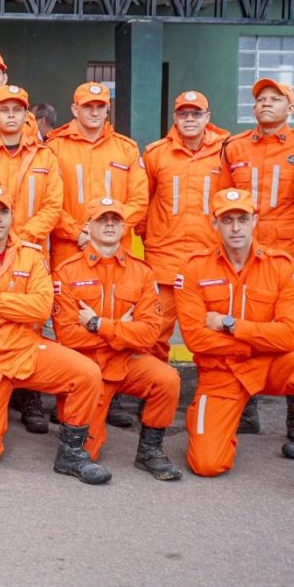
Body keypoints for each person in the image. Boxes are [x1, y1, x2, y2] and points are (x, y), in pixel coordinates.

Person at [0, 186, 110, 484]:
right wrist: (17, 309)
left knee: (87, 373)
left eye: (3, 211)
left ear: (13, 216)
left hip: (26, 351)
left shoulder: (31, 255)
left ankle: (71, 454)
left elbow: (42, 308)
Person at [177, 189, 294, 502]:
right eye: (227, 220)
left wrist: (230, 325)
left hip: (273, 367)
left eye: (242, 219)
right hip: (222, 374)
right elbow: (195, 339)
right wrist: (261, 340)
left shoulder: (282, 266)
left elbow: (293, 335)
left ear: (255, 221)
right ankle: (213, 424)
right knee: (207, 464)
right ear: (215, 224)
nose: (236, 227)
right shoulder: (194, 268)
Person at [52, 197, 181, 479]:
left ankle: (150, 452)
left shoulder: (143, 272)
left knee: (168, 378)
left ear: (124, 227)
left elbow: (148, 335)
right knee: (88, 451)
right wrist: (124, 331)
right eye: (101, 219)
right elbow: (67, 335)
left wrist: (99, 325)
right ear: (88, 226)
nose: (109, 224)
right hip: (90, 370)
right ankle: (72, 436)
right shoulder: (67, 271)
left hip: (127, 364)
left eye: (115, 220)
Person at [219, 78, 294, 446]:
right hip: (245, 254)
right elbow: (224, 202)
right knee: (242, 325)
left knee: (293, 336)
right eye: (260, 99)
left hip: (292, 256)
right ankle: (245, 408)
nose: (266, 105)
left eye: (276, 99)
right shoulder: (236, 147)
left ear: (290, 109)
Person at [0, 83, 63, 434]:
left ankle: (29, 399)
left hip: (29, 253)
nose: (10, 115)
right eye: (4, 110)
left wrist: (22, 238)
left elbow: (53, 206)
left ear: (26, 115)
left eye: (17, 110)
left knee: (30, 324)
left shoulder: (45, 156)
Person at [140, 90, 229, 363]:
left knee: (214, 333)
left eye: (196, 113)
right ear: (175, 118)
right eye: (183, 114)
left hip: (210, 261)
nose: (190, 119)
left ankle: (219, 394)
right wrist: (149, 239)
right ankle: (155, 393)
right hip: (164, 261)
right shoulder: (156, 155)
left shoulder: (226, 151)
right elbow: (143, 201)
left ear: (208, 117)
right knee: (155, 333)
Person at [45, 82, 148, 271]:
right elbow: (48, 203)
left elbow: (139, 200)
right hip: (70, 249)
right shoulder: (54, 148)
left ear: (107, 109)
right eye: (87, 107)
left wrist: (109, 233)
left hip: (115, 251)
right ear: (75, 110)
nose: (94, 113)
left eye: (100, 107)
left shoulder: (126, 149)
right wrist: (77, 233)